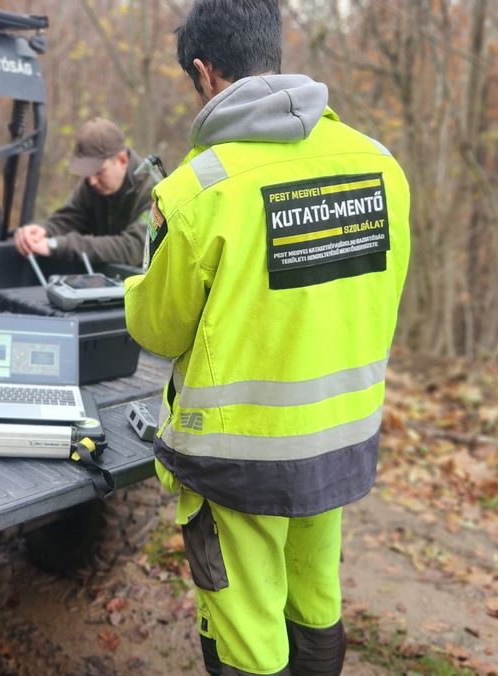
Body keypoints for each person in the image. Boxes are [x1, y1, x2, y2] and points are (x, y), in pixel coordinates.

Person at [123, 1, 411, 673]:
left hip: (238, 457)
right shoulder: (379, 163)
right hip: (340, 436)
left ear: (203, 71)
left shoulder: (197, 189)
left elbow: (158, 329)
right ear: (273, 53)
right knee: (314, 593)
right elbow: (380, 292)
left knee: (246, 624)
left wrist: (137, 282)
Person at [12, 117, 156, 266]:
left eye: (99, 172)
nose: (92, 181)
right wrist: (41, 231)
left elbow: (135, 247)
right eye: (87, 173)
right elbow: (69, 220)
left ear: (122, 160)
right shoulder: (92, 184)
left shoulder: (155, 191)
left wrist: (56, 245)